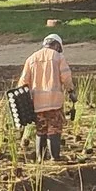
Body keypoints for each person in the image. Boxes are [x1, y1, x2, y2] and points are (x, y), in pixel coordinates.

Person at [18, 31, 74, 161]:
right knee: (54, 129)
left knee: (41, 130)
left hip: (37, 103)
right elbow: (66, 77)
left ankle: (40, 158)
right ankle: (55, 158)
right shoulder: (58, 57)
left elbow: (22, 83)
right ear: (57, 46)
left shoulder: (31, 59)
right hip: (54, 102)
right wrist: (71, 91)